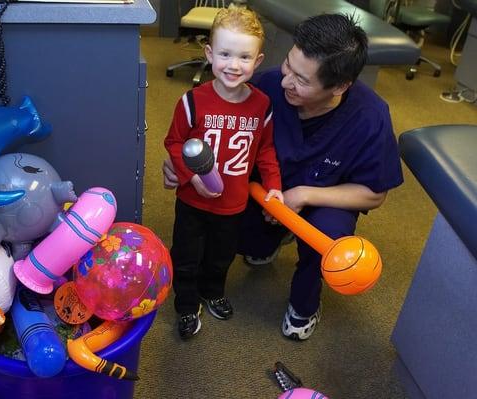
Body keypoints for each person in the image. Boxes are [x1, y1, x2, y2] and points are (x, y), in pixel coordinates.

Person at [163, 13, 404, 341]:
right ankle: (269, 240)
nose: (286, 80)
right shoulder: (264, 86)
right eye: (289, 65)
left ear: (339, 87)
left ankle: (305, 304)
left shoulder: (370, 117)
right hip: (264, 194)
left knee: (326, 234)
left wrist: (304, 195)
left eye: (302, 81)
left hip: (321, 200)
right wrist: (183, 166)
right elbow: (206, 137)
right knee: (231, 239)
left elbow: (374, 194)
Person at [164, 6, 283, 340]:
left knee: (221, 255)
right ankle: (186, 304)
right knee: (186, 256)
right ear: (209, 53)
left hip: (233, 204)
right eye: (225, 54)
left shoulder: (262, 105)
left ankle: (212, 291)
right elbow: (174, 143)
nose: (234, 65)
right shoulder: (192, 101)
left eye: (245, 57)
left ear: (258, 61)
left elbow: (265, 150)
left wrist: (273, 185)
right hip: (192, 201)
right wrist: (192, 178)